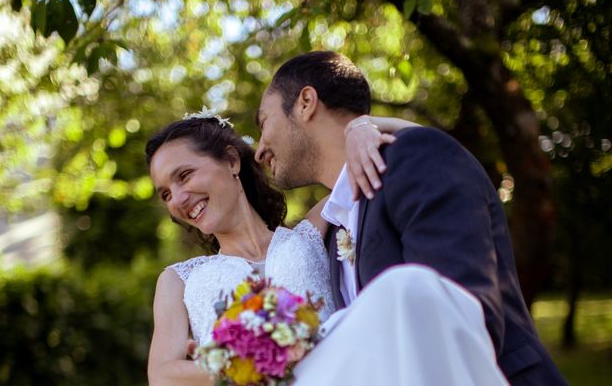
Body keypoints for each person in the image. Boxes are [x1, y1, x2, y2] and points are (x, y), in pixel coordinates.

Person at [254, 50, 567, 385]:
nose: (258, 150)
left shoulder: (414, 156)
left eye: (264, 123)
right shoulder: (330, 234)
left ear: (306, 102)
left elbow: (464, 314)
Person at [145, 111, 508, 385]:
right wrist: (249, 359)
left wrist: (362, 125)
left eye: (184, 176)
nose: (177, 198)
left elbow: (414, 142)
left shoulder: (311, 232)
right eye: (165, 193)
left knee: (406, 289)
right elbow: (161, 375)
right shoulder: (179, 280)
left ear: (231, 161)